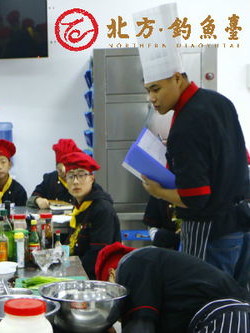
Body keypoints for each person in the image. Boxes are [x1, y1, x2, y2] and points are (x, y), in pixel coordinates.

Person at [133, 4, 249, 286]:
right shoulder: (218, 101)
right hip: (241, 224)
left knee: (204, 303)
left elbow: (196, 197)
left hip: (212, 233)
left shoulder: (186, 124)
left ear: (177, 78)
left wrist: (157, 190)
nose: (152, 98)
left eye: (156, 89)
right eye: (148, 90)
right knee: (236, 304)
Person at [95, 242, 250, 333]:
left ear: (112, 274)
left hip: (225, 316)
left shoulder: (132, 263)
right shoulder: (159, 275)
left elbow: (140, 324)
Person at [60, 151, 121, 279]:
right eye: (71, 176)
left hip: (95, 278)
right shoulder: (80, 205)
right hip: (79, 272)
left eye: (82, 175)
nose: (76, 182)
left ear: (92, 179)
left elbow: (98, 254)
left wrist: (68, 272)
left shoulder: (101, 209)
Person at [27, 138, 81, 209]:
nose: (64, 174)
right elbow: (31, 199)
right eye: (60, 170)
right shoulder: (50, 179)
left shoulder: (82, 181)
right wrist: (38, 200)